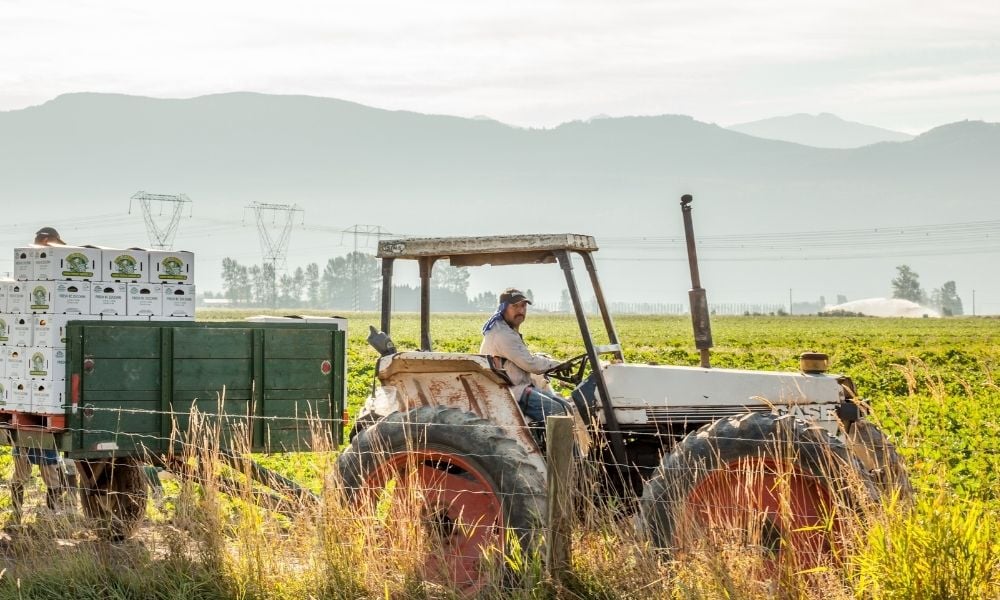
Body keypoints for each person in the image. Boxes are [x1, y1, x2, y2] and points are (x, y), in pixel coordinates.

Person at [9, 226, 74, 524]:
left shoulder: (50, 271)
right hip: (31, 410)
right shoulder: (36, 269)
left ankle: (36, 512)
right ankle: (32, 512)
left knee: (36, 468)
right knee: (39, 469)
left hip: (36, 406)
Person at [480, 288, 570, 423]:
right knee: (555, 410)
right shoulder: (502, 334)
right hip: (510, 391)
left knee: (564, 405)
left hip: (518, 387)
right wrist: (557, 365)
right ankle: (553, 444)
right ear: (503, 308)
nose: (520, 310)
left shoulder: (507, 330)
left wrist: (549, 362)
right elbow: (529, 363)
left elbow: (523, 358)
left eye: (523, 306)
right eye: (515, 306)